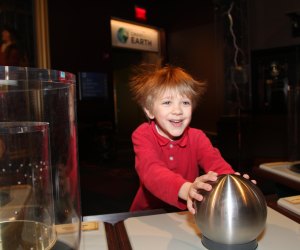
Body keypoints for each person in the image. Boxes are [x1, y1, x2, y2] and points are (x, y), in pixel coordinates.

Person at [129, 64, 253, 214]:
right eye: (167, 102)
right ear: (149, 110)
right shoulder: (143, 134)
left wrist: (236, 186)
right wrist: (187, 189)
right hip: (148, 213)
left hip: (187, 212)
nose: (178, 111)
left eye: (185, 102)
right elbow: (151, 171)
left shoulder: (197, 136)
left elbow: (217, 165)